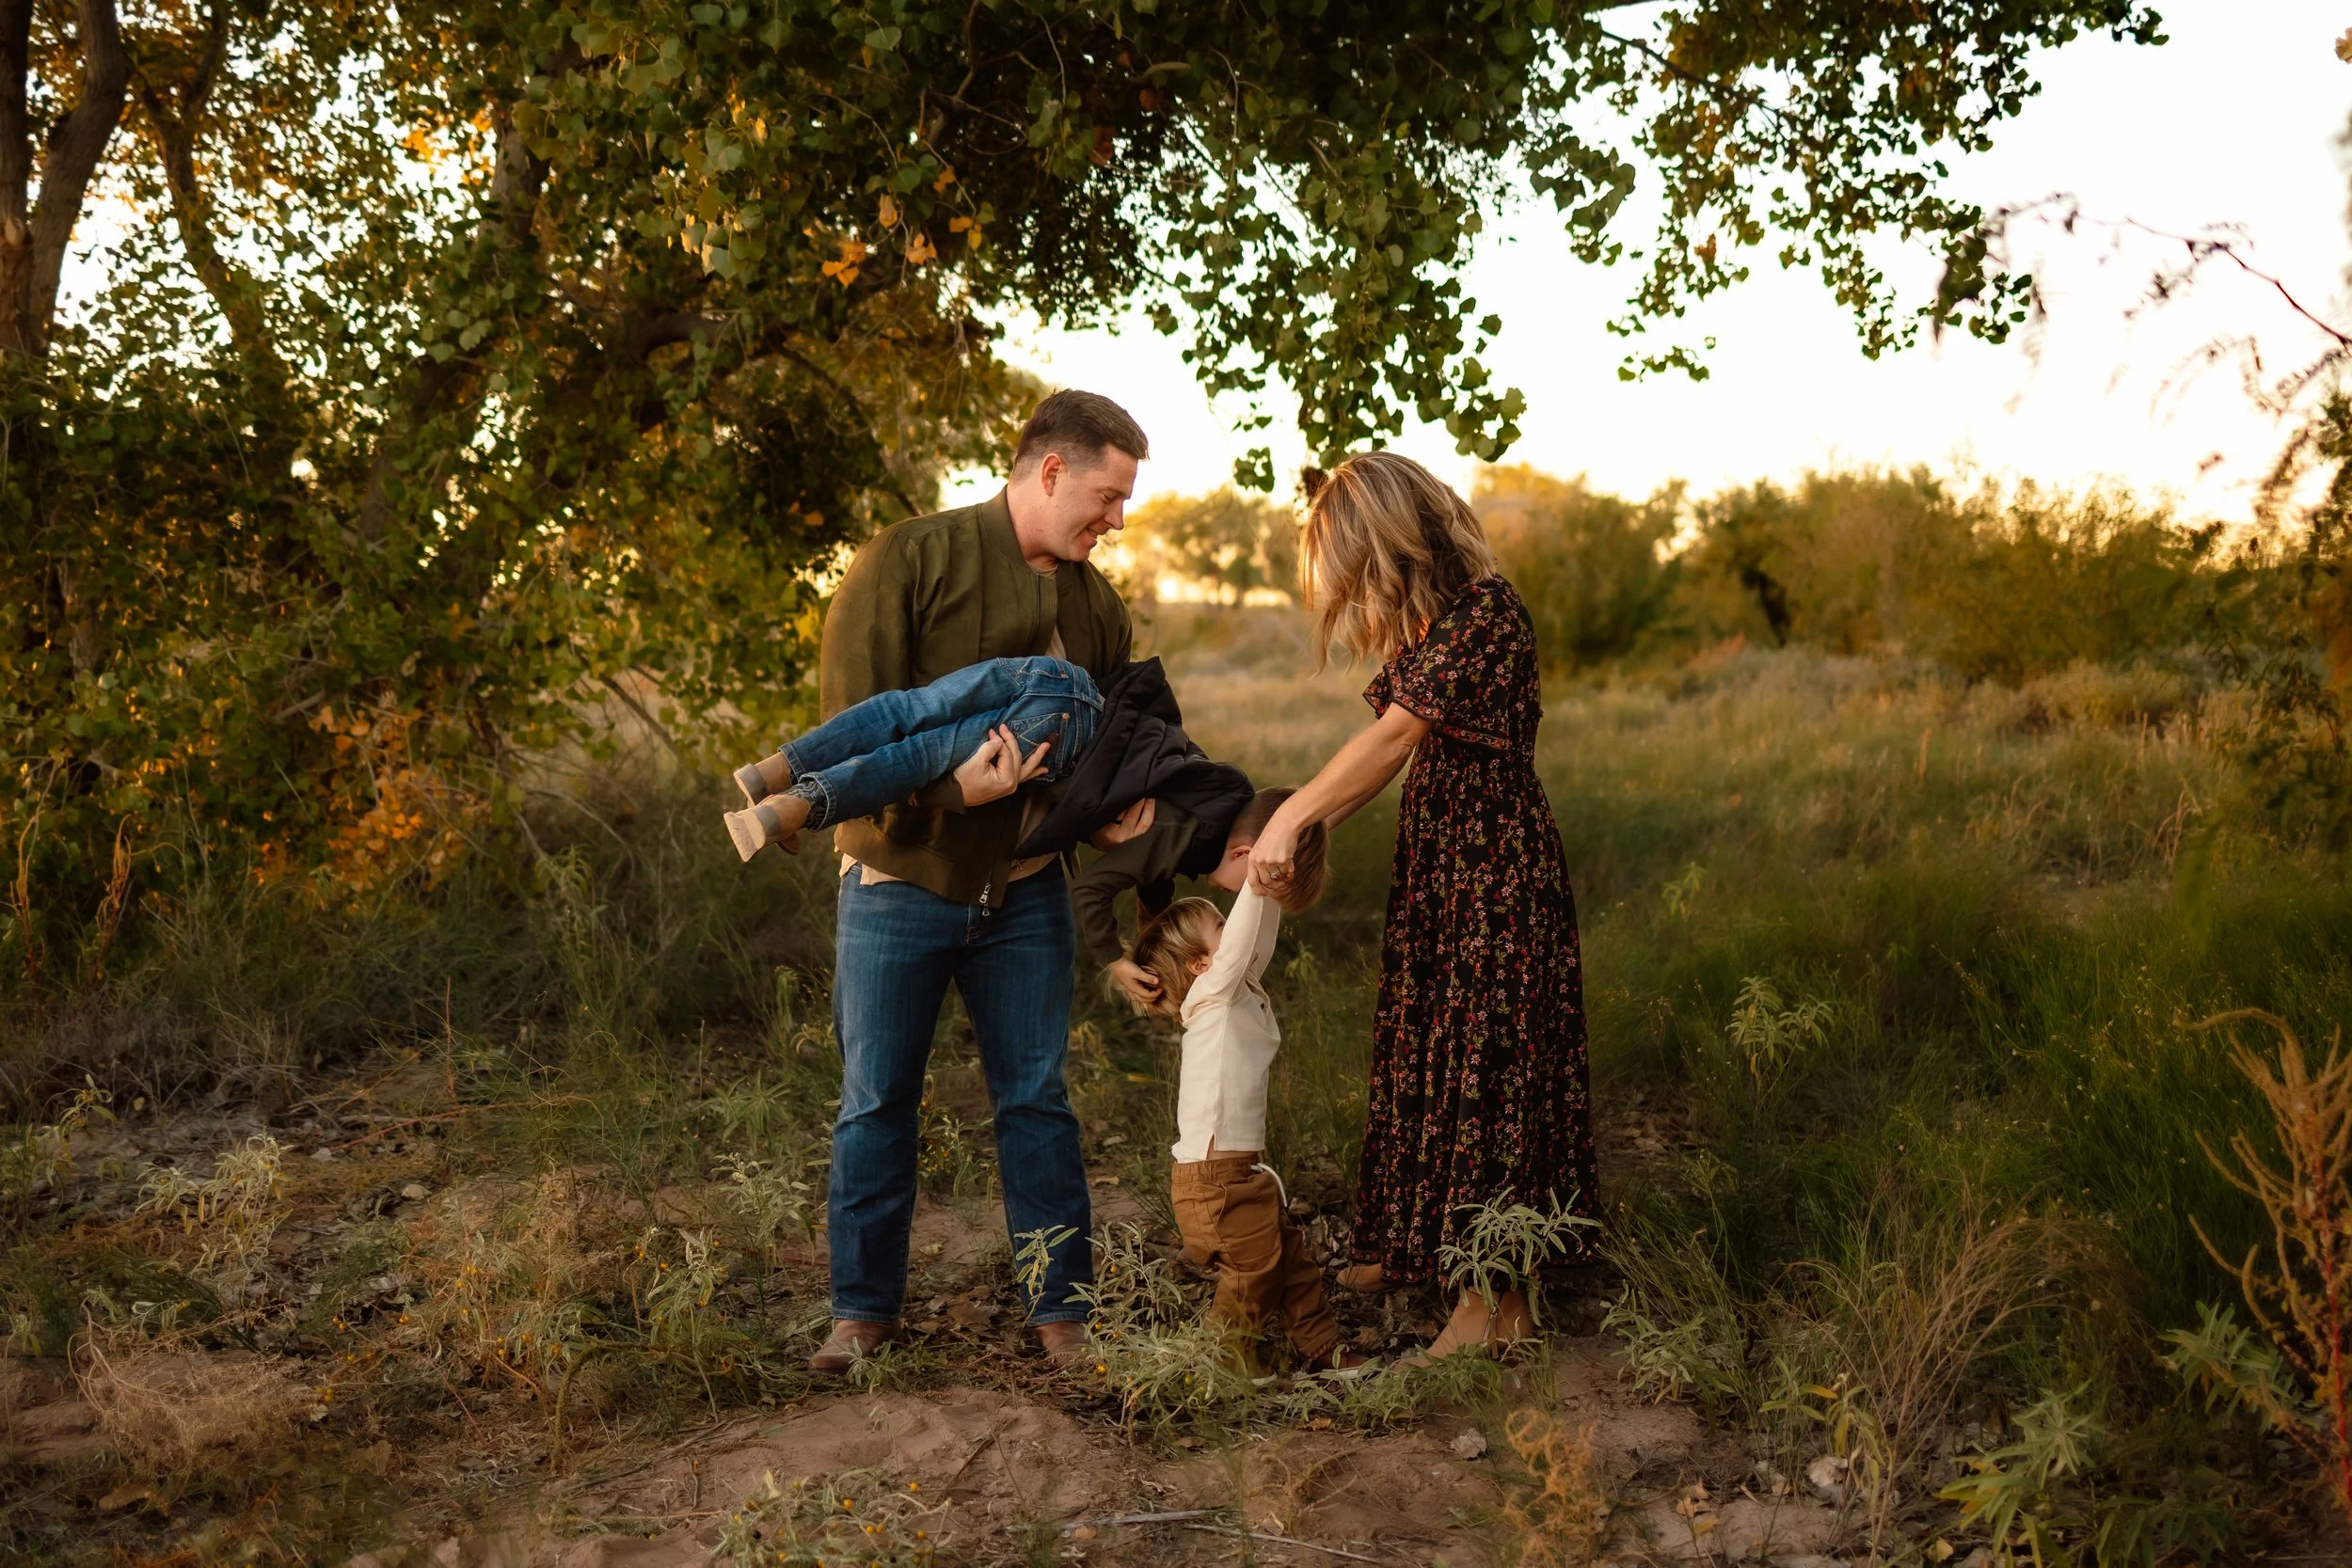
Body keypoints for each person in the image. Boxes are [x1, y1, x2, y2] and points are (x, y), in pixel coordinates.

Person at [801, 389, 1153, 1374]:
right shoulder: (906, 560)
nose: (1118, 519)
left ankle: (1064, 1314)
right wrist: (947, 792)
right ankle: (860, 1314)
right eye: (1108, 496)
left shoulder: (1098, 606)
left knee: (1038, 1100)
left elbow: (1108, 752)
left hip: (1030, 892)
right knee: (877, 1099)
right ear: (1051, 470)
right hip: (897, 882)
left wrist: (1110, 810)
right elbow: (850, 733)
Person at [1243, 451, 1595, 1360]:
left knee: (1489, 1071)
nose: (1347, 591)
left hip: (1494, 877)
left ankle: (1494, 1301)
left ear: (1387, 542)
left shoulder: (1487, 613)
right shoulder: (1435, 629)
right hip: (1447, 874)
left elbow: (1398, 733)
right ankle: (1417, 1245)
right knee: (1435, 1055)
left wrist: (1292, 812)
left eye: (1349, 565)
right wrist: (1306, 831)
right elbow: (1385, 754)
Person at [1127, 869, 1359, 1371]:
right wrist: (1255, 877)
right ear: (1201, 964)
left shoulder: (1235, 990)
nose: (1233, 927)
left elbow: (1257, 936)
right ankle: (1223, 1365)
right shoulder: (1212, 997)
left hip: (1237, 1176)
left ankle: (1322, 1346)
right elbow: (1240, 943)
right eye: (1221, 925)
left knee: (1291, 1260)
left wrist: (1272, 883)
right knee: (1253, 1273)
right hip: (1213, 1183)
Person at [1076, 786, 1308, 1009]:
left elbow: (1154, 868)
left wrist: (1158, 933)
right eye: (1253, 882)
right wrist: (1115, 960)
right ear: (1242, 854)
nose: (1246, 892)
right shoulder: (1178, 832)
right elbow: (1088, 889)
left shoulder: (1201, 818)